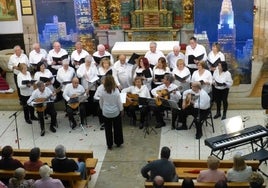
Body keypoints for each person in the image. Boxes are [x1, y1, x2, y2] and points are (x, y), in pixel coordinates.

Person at [99, 75, 124, 150]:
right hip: (115, 112)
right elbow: (119, 103)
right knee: (117, 128)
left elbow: (101, 102)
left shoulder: (103, 92)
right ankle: (118, 142)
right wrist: (121, 110)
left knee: (108, 129)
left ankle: (109, 144)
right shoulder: (116, 91)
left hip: (106, 112)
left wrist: (103, 109)